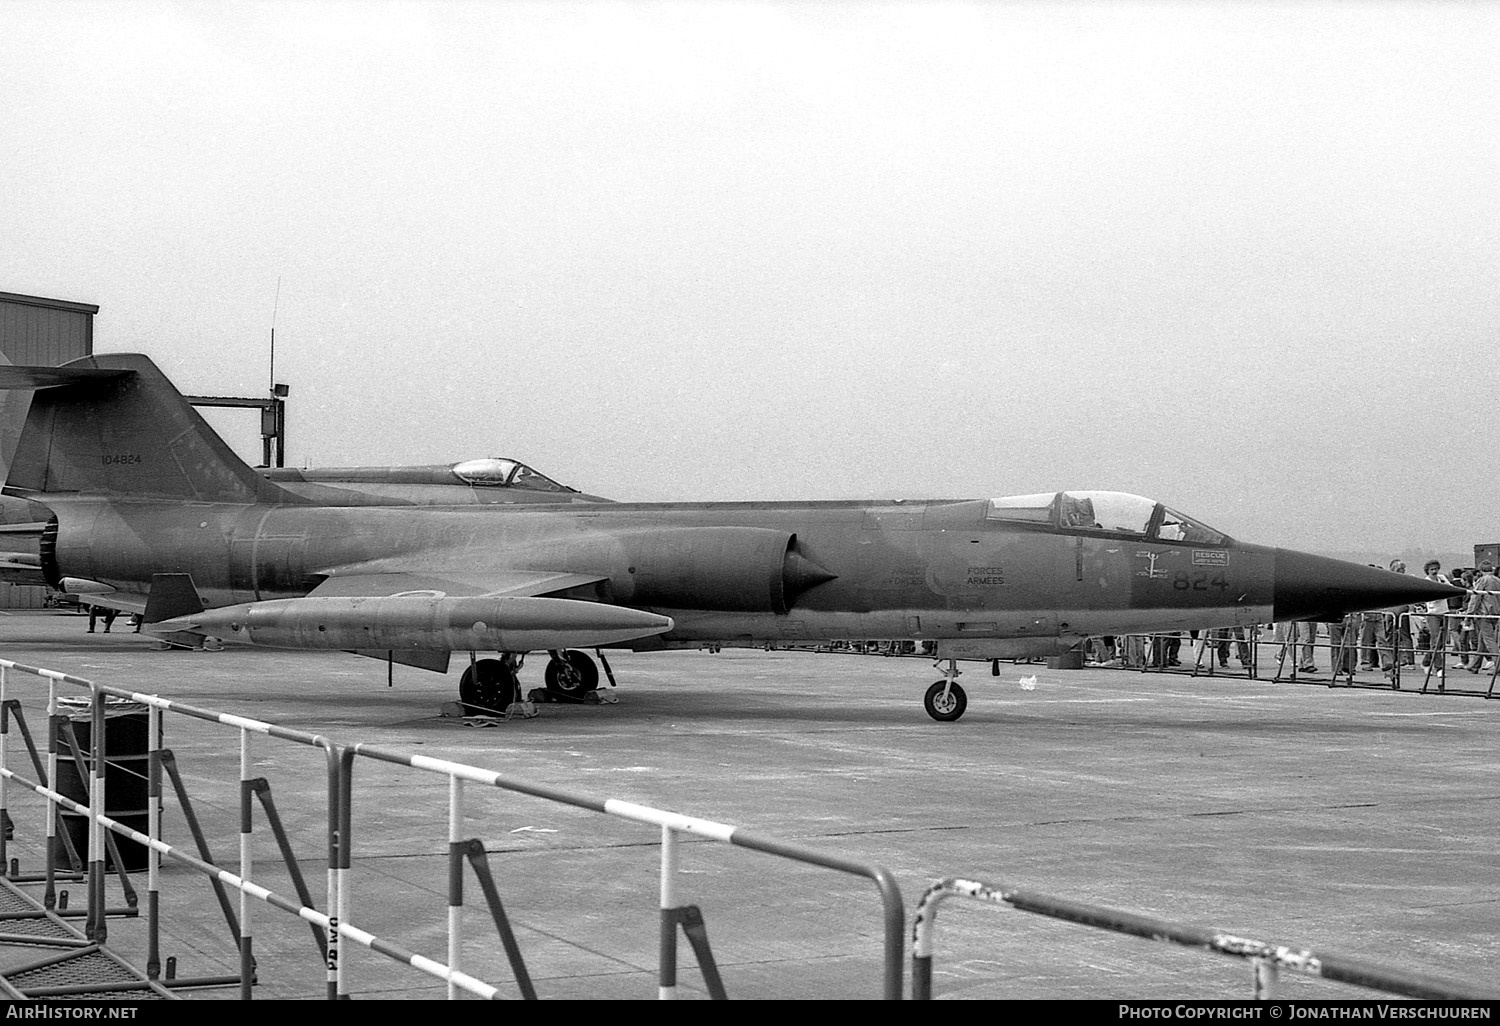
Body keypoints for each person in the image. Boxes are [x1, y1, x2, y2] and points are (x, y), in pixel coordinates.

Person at [1463, 561, 1500, 673]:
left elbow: (1475, 599)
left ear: (1480, 570)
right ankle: (1474, 665)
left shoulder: (1482, 580)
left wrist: (1468, 615)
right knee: (1482, 641)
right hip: (1496, 614)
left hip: (1484, 614)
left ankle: (1498, 666)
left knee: (1489, 641)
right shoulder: (1498, 580)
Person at [1418, 561, 1452, 668]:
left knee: (1442, 641)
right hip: (1433, 613)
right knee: (1435, 639)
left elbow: (1449, 588)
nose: (1434, 571)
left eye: (1436, 569)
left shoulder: (1442, 578)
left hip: (1444, 611)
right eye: (1432, 569)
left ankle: (1426, 661)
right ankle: (1439, 667)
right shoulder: (1426, 582)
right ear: (1427, 571)